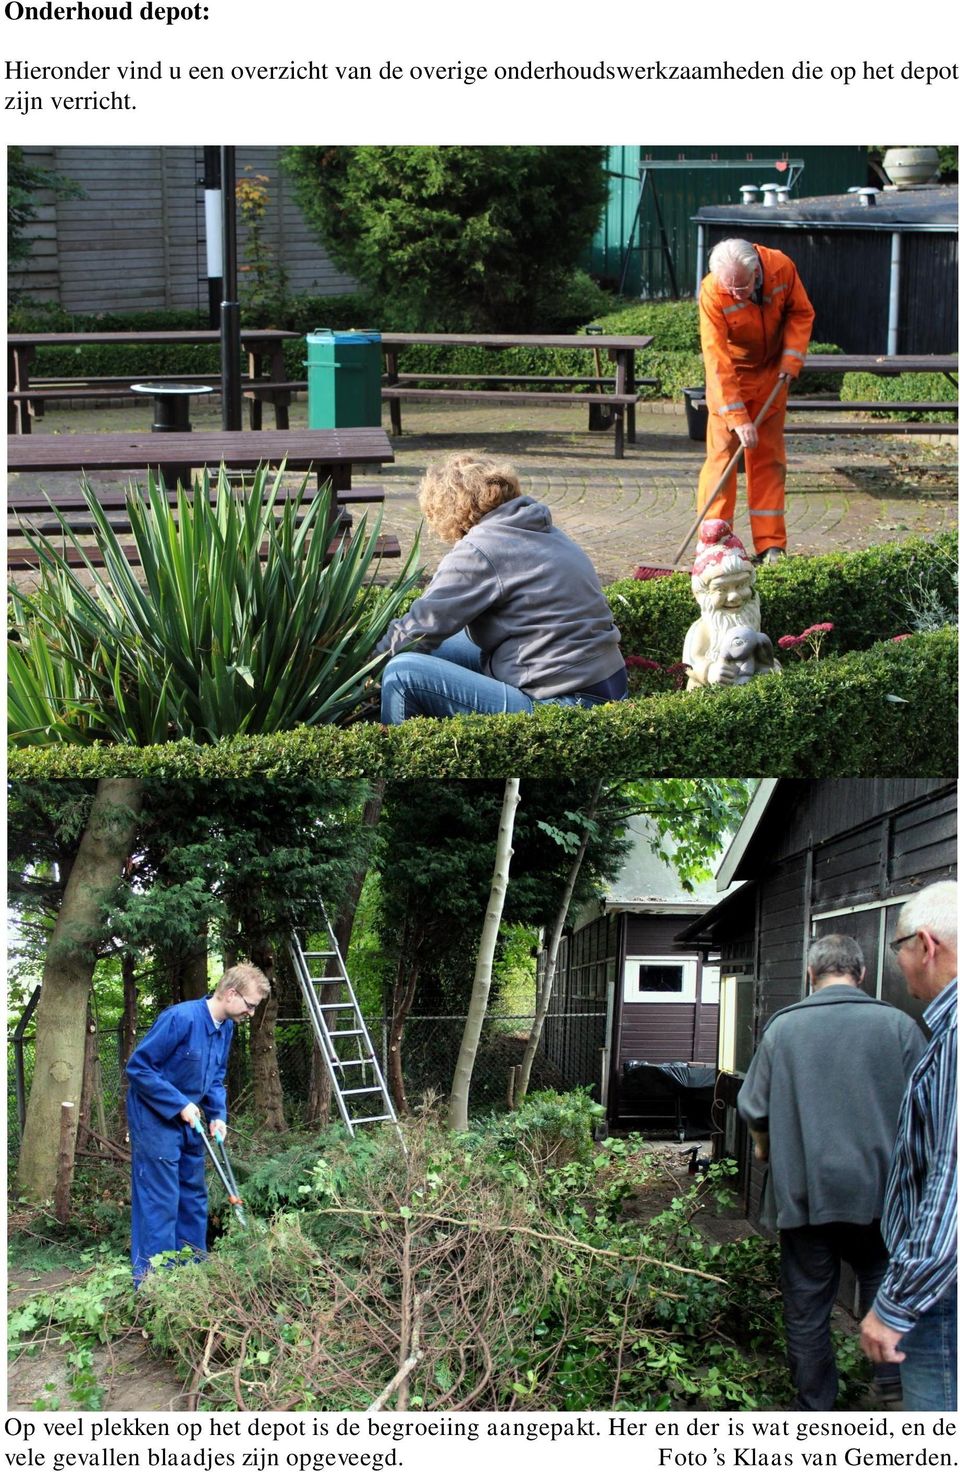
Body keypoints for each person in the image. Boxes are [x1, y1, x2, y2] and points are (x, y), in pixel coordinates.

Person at [737, 934, 926, 1409]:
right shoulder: (899, 1026)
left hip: (805, 1198)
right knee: (886, 1287)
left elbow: (754, 1108)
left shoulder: (783, 1029)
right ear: (860, 975)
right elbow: (929, 1111)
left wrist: (764, 1148)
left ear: (810, 974)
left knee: (807, 1310)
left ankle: (815, 1411)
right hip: (882, 1198)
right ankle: (893, 1387)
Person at [376, 453, 627, 723]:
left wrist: (363, 670)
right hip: (608, 685)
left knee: (401, 672)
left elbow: (420, 628)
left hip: (563, 703)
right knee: (452, 642)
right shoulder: (541, 529)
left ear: (445, 511)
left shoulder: (480, 549)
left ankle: (400, 759)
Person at [859, 880, 958, 1411]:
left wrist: (895, 1305)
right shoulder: (923, 1031)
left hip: (941, 1292)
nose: (896, 961)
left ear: (926, 945)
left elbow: (952, 1185)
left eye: (897, 948)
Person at [125, 963, 271, 1284]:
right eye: (249, 1005)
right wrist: (177, 1103)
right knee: (160, 1198)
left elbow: (216, 1076)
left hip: (192, 1121)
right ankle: (155, 1282)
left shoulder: (226, 1028)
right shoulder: (181, 1019)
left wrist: (218, 1115)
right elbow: (139, 1069)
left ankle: (192, 1270)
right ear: (231, 994)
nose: (250, 1013)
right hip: (155, 1117)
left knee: (193, 1194)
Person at [697, 238, 815, 565]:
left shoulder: (781, 267)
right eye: (729, 288)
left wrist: (791, 363)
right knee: (722, 458)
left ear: (756, 272)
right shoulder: (712, 291)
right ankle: (714, 542)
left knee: (768, 460)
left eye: (742, 287)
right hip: (731, 377)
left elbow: (801, 313)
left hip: (773, 376)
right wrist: (736, 418)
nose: (736, 294)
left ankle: (771, 546)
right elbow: (716, 358)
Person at [681, 520, 779, 689]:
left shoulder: (749, 619)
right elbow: (690, 663)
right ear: (702, 594)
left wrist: (768, 666)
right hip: (710, 694)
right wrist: (709, 671)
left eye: (741, 585)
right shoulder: (703, 629)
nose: (733, 596)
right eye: (721, 589)